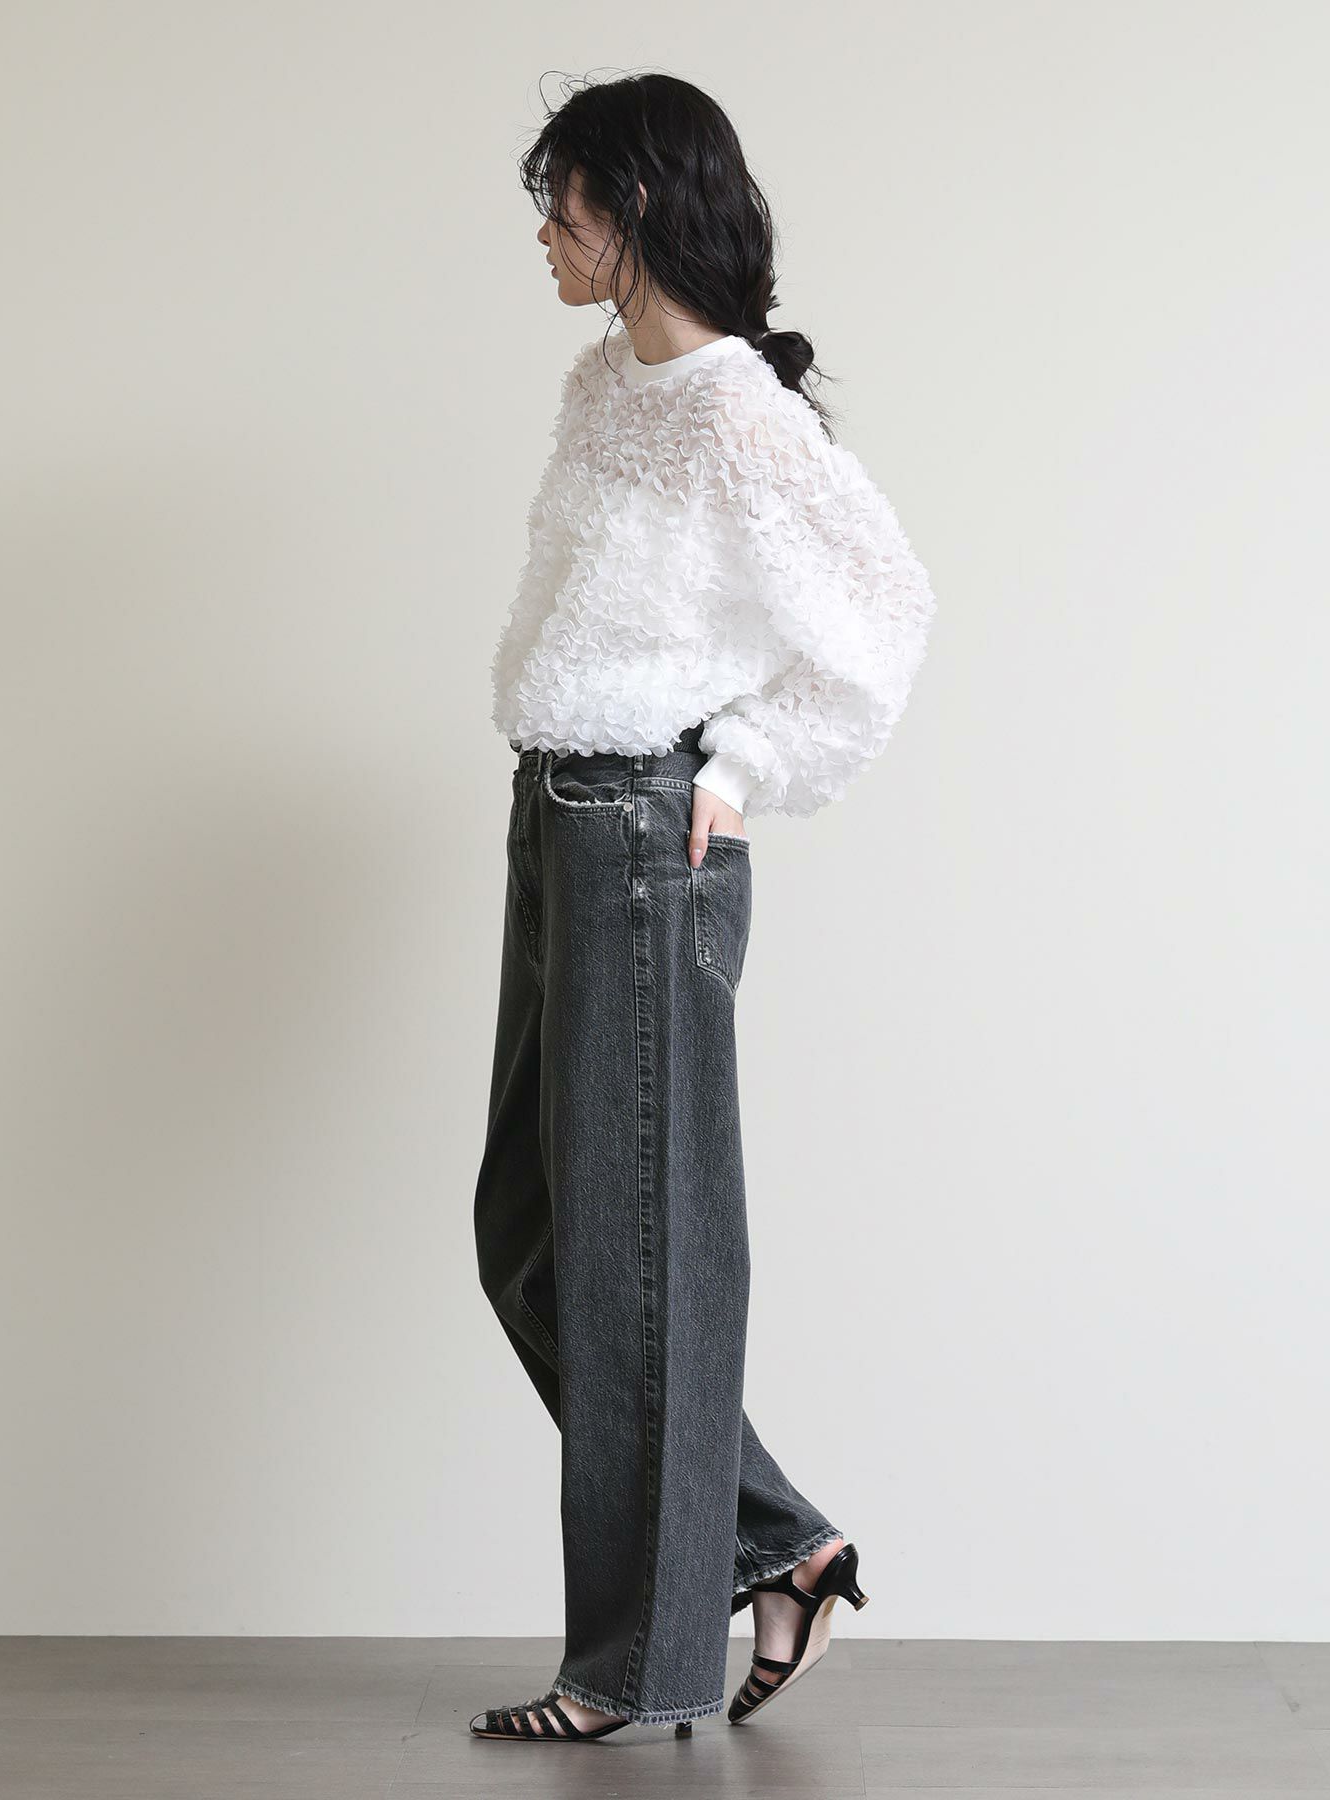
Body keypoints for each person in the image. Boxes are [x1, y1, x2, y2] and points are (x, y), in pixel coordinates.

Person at [470, 70, 936, 1743]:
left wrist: (738, 774)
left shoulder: (742, 413)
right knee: (533, 1243)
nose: (545, 231)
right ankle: (777, 1547)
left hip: (645, 836)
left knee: (636, 1256)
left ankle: (632, 1665)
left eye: (567, 202)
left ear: (639, 211)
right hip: (555, 817)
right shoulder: (607, 386)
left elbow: (884, 616)